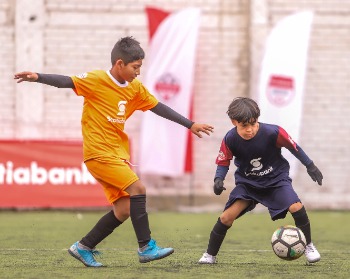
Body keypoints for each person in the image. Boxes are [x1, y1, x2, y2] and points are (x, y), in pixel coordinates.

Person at [14, 36, 214, 267]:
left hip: (116, 154)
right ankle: (146, 247)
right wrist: (37, 77)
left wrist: (190, 124)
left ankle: (83, 246)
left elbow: (158, 107)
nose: (138, 72)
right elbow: (66, 81)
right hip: (98, 153)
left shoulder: (135, 88)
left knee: (124, 209)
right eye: (135, 67)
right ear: (120, 64)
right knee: (138, 188)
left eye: (140, 67)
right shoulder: (97, 79)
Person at [198, 97, 323, 264]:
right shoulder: (230, 139)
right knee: (226, 218)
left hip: (276, 181)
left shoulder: (274, 133)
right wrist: (218, 179)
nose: (250, 129)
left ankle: (308, 245)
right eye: (244, 126)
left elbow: (294, 147)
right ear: (234, 122)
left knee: (296, 206)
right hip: (248, 185)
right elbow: (223, 161)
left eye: (253, 123)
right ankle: (209, 255)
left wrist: (310, 166)